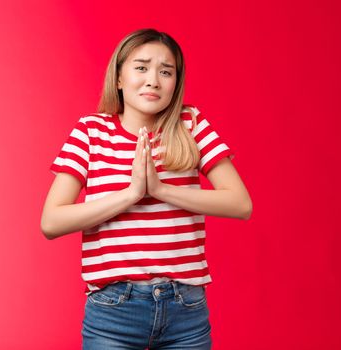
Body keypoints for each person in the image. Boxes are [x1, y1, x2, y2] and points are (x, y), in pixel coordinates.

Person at [41, 28, 252, 350]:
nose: (153, 79)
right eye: (141, 67)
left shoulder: (190, 124)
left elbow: (240, 204)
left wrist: (160, 189)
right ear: (119, 77)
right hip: (113, 310)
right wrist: (131, 193)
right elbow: (52, 223)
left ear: (175, 84)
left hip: (186, 309)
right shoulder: (90, 132)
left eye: (166, 71)